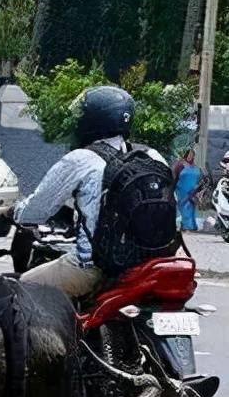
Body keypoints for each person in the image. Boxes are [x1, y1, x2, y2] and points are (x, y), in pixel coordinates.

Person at [14, 85, 173, 300]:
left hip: (93, 269)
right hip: (149, 266)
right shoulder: (152, 156)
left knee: (21, 289)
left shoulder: (81, 158)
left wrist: (13, 211)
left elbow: (33, 213)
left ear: (91, 121)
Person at [173, 147, 202, 232]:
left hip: (193, 190)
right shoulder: (180, 164)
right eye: (189, 154)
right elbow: (175, 176)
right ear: (185, 154)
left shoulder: (195, 166)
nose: (190, 156)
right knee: (185, 208)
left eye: (192, 155)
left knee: (192, 208)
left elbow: (199, 178)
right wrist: (172, 188)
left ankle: (191, 225)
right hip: (182, 190)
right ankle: (187, 226)